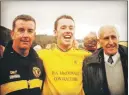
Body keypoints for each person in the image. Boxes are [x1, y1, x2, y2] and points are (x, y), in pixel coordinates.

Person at [37, 15, 91, 95]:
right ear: (55, 32)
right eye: (63, 27)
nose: (68, 31)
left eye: (71, 28)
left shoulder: (85, 55)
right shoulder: (42, 54)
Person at [0, 14, 45, 95]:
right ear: (12, 34)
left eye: (30, 31)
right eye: (21, 30)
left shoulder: (40, 63)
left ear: (34, 36)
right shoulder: (2, 63)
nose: (26, 35)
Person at [83, 25, 128, 95]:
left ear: (118, 38)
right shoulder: (89, 63)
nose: (111, 42)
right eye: (106, 38)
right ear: (99, 41)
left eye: (113, 37)